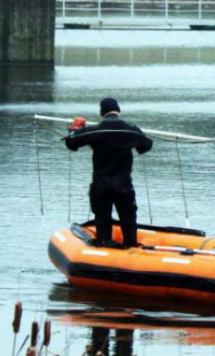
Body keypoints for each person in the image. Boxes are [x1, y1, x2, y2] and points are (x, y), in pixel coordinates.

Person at [65, 97, 152, 248]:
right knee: (128, 220)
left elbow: (71, 143)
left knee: (102, 220)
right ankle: (131, 248)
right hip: (123, 186)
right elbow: (145, 146)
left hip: (101, 185)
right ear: (118, 111)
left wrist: (75, 130)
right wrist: (138, 131)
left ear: (102, 112)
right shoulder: (130, 131)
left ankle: (104, 245)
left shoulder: (96, 130)